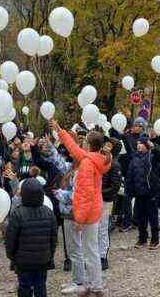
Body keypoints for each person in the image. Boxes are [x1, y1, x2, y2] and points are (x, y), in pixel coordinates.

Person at [52, 121, 112, 297]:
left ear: (89, 144)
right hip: (93, 211)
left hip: (88, 214)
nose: (81, 143)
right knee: (90, 250)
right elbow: (74, 149)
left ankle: (96, 286)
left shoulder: (86, 164)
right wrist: (60, 131)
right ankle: (93, 283)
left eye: (84, 141)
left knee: (90, 251)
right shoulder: (94, 158)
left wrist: (79, 219)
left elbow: (85, 195)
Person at [6, 179, 58, 297]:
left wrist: (12, 257)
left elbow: (10, 240)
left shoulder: (17, 213)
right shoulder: (48, 212)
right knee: (41, 286)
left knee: (24, 287)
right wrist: (49, 255)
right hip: (42, 259)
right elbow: (53, 239)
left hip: (23, 261)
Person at [126, 136, 160, 250]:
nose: (139, 145)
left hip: (151, 193)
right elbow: (130, 175)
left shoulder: (153, 156)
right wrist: (129, 191)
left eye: (142, 143)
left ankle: (155, 240)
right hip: (139, 193)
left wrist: (157, 186)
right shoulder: (134, 158)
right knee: (141, 217)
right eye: (138, 143)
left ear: (147, 145)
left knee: (153, 217)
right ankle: (142, 238)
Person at [53, 159, 84, 295]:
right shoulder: (71, 168)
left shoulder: (80, 172)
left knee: (76, 248)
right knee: (72, 248)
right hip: (67, 214)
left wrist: (59, 193)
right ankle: (75, 279)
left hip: (73, 214)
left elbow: (76, 196)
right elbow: (58, 161)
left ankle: (78, 282)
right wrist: (49, 147)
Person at [99, 138, 122, 270]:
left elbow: (115, 186)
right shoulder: (99, 160)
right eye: (105, 144)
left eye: (109, 146)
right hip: (96, 199)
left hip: (106, 200)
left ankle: (103, 256)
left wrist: (100, 192)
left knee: (103, 228)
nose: (105, 147)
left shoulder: (114, 165)